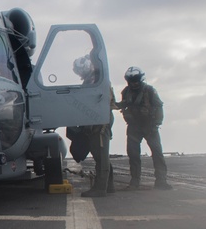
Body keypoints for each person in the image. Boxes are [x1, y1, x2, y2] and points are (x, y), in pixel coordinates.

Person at [67, 56, 116, 197]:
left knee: (100, 154)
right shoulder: (93, 80)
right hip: (95, 120)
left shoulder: (97, 80)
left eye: (80, 71)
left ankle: (100, 188)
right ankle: (109, 186)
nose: (80, 74)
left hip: (99, 121)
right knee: (100, 154)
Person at [117, 66, 171, 190]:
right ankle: (135, 181)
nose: (133, 83)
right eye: (131, 80)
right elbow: (124, 104)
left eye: (135, 80)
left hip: (149, 127)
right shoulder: (126, 92)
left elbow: (159, 106)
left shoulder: (150, 90)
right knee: (133, 155)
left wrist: (157, 123)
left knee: (157, 153)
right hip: (133, 127)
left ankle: (161, 180)